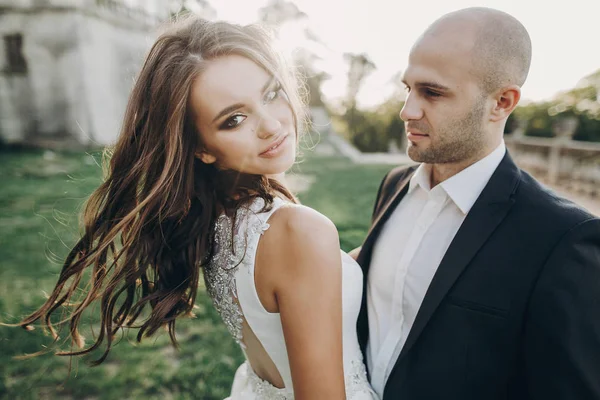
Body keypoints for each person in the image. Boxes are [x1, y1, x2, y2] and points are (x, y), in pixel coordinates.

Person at [15, 16, 377, 399]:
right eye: (234, 119)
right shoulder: (297, 231)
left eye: (271, 94)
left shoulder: (222, 219)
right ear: (200, 148)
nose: (270, 125)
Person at [353, 7, 600, 400]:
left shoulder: (563, 239)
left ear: (502, 102)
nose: (407, 110)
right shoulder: (394, 185)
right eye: (408, 88)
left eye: (431, 92)